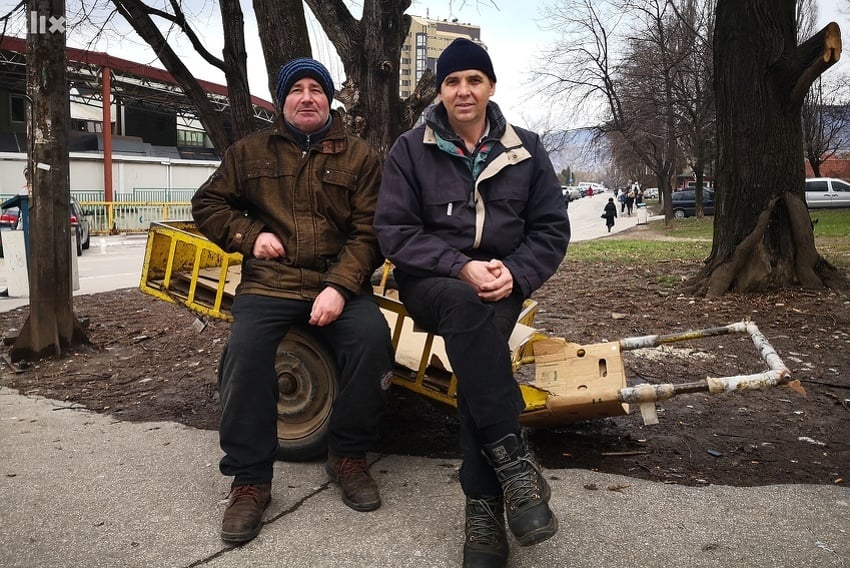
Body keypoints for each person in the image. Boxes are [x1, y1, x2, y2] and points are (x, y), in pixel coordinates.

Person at [374, 38, 570, 568]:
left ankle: (483, 509)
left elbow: (551, 229)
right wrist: (459, 265)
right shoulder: (410, 148)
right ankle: (515, 466)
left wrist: (518, 272)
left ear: (490, 87)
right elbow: (395, 231)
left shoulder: (525, 149)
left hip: (502, 283)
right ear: (439, 91)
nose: (464, 90)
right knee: (467, 312)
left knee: (476, 338)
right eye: (452, 81)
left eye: (474, 80)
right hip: (432, 281)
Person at [191, 57, 394, 544]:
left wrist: (340, 286)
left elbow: (370, 233)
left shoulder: (361, 158)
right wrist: (248, 234)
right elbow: (208, 204)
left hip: (337, 281)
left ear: (329, 99)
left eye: (315, 89)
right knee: (244, 354)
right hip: (270, 284)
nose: (307, 97)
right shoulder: (249, 153)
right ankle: (250, 481)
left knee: (372, 343)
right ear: (283, 101)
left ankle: (347, 456)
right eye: (296, 90)